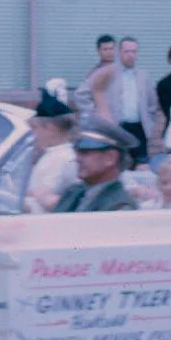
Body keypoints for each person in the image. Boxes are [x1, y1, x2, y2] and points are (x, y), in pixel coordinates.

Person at [54, 119, 138, 213]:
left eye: (85, 153)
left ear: (110, 158)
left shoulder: (120, 207)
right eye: (77, 153)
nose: (77, 159)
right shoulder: (73, 193)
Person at [25, 83, 80, 213]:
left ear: (50, 129)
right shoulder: (53, 155)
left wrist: (37, 195)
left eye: (35, 128)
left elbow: (49, 202)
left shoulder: (62, 158)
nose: (33, 133)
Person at [105, 38, 154, 162]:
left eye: (134, 51)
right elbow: (82, 95)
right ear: (119, 53)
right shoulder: (108, 74)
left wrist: (149, 121)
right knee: (116, 165)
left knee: (142, 165)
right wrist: (100, 115)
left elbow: (153, 103)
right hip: (117, 127)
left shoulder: (144, 76)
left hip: (139, 129)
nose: (131, 55)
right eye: (127, 52)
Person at [74, 35, 119, 115]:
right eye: (105, 49)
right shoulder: (95, 74)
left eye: (111, 49)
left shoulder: (123, 71)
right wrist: (96, 112)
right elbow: (80, 95)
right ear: (99, 51)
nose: (109, 52)